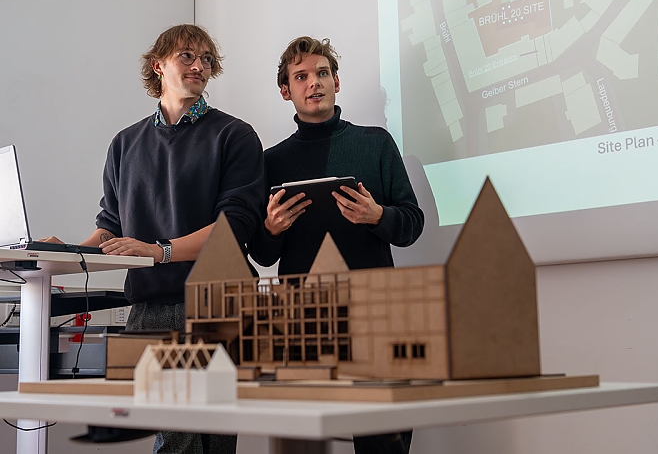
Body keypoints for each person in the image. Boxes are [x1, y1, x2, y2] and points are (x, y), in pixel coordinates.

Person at [44, 24, 264, 454]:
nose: (199, 65)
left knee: (206, 442)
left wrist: (159, 251)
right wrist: (68, 251)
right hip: (148, 308)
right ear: (157, 65)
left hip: (217, 304)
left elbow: (234, 227)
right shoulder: (124, 144)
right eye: (187, 56)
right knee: (174, 440)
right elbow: (111, 225)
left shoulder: (234, 135)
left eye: (206, 59)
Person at [250, 36, 424, 454]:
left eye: (322, 73)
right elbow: (262, 254)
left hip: (375, 315)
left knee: (383, 439)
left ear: (337, 83)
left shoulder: (376, 143)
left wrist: (377, 216)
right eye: (301, 76)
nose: (314, 83)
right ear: (285, 91)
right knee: (303, 442)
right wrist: (271, 228)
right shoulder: (271, 161)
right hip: (302, 322)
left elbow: (412, 225)